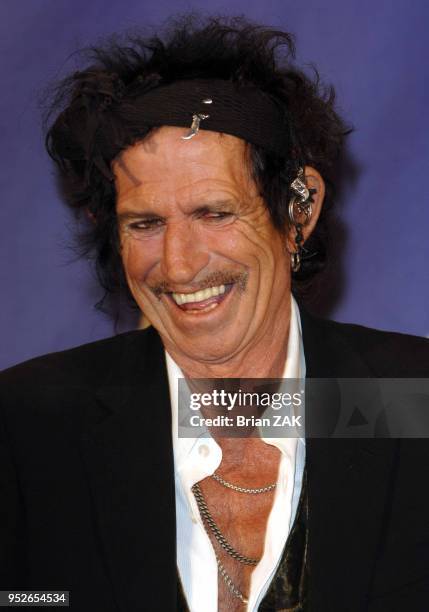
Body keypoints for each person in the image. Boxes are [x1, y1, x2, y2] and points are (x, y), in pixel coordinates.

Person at [1, 15, 428, 612]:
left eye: (215, 213)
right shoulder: (29, 425)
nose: (177, 266)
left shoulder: (412, 401)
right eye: (145, 224)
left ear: (297, 212)